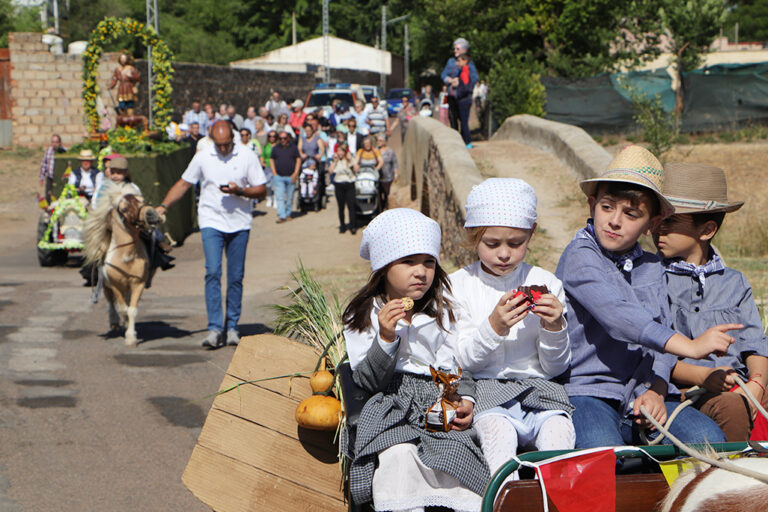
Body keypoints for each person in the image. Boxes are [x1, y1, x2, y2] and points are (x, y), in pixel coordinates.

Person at [555, 145, 730, 449]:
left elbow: (661, 338)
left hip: (644, 394)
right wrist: (689, 345)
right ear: (592, 204)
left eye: (631, 214)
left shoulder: (651, 267)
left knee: (710, 441)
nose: (614, 221)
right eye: (607, 207)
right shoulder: (580, 257)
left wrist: (659, 390)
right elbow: (621, 318)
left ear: (651, 224)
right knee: (605, 456)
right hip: (589, 391)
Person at [342, 208, 487, 511]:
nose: (420, 272)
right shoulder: (364, 315)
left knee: (456, 456)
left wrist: (465, 399)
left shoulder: (444, 311)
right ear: (383, 267)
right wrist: (385, 337)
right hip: (390, 403)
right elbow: (368, 381)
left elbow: (456, 364)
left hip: (435, 398)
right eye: (407, 262)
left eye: (428, 262)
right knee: (397, 454)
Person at [450, 178, 574, 480]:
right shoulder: (459, 286)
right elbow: (462, 361)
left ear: (531, 234)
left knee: (559, 440)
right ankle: (507, 498)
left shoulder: (547, 283)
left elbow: (556, 367)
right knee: (499, 440)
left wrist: (554, 326)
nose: (504, 254)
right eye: (492, 244)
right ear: (473, 236)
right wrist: (493, 327)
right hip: (488, 392)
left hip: (542, 391)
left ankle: (554, 500)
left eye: (516, 244)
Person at [653, 162, 767, 442]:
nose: (658, 228)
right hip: (684, 391)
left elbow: (754, 341)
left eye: (670, 221)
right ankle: (733, 481)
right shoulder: (652, 280)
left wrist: (756, 384)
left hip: (740, 383)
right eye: (658, 218)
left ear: (706, 230)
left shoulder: (734, 282)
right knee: (732, 407)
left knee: (744, 399)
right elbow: (652, 355)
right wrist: (703, 376)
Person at [156, 121, 267, 348]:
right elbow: (184, 183)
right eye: (219, 145)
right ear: (212, 140)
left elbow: (262, 189)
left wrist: (240, 191)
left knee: (235, 277)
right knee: (213, 272)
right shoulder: (203, 155)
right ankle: (215, 328)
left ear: (233, 139)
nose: (224, 149)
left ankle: (233, 326)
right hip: (211, 221)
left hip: (240, 223)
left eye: (227, 145)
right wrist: (163, 206)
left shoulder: (247, 155)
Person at [441, 38, 478, 131]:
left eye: (457, 49)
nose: (455, 51)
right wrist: (449, 80)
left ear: (464, 50)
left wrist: (460, 82)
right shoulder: (450, 61)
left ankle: (464, 140)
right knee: (452, 118)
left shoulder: (469, 63)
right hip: (452, 95)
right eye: (454, 49)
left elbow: (474, 78)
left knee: (463, 119)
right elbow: (443, 74)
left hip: (463, 96)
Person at [269, 131, 301, 223]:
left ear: (288, 138)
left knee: (290, 197)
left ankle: (288, 213)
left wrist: (295, 173)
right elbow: (271, 159)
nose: (283, 140)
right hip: (279, 176)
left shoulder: (294, 148)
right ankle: (282, 215)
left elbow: (298, 160)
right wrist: (274, 172)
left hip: (291, 176)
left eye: (284, 138)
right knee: (279, 197)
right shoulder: (275, 148)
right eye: (281, 138)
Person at [328, 144, 356, 234]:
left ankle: (352, 226)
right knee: (341, 207)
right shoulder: (336, 161)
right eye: (338, 151)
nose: (340, 153)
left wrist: (351, 159)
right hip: (339, 184)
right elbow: (331, 171)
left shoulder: (349, 160)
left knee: (351, 206)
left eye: (341, 151)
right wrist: (335, 162)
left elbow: (356, 169)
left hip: (349, 184)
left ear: (345, 152)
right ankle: (342, 226)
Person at [455, 53, 477, 149]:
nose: (457, 63)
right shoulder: (464, 71)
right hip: (466, 99)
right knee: (463, 121)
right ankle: (466, 141)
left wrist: (458, 94)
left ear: (465, 61)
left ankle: (467, 142)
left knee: (464, 122)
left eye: (459, 60)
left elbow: (466, 88)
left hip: (464, 100)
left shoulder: (465, 72)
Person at [39, 134, 65, 201]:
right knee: (48, 196)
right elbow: (44, 164)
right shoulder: (48, 151)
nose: (54, 144)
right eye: (53, 142)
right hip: (50, 178)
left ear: (59, 143)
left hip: (60, 179)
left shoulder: (64, 151)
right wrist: (42, 177)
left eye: (56, 142)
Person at [376, 134, 397, 211]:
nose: (379, 142)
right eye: (378, 140)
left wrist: (396, 174)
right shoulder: (375, 151)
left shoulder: (390, 151)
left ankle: (386, 208)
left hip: (388, 176)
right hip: (378, 177)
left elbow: (395, 163)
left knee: (386, 194)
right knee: (378, 194)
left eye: (380, 140)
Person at [261, 131, 276, 208]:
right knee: (268, 185)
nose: (272, 138)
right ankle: (269, 198)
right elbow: (262, 155)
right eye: (270, 136)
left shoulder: (278, 145)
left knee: (276, 184)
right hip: (267, 166)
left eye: (273, 136)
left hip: (277, 167)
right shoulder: (266, 145)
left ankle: (276, 200)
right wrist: (262, 163)